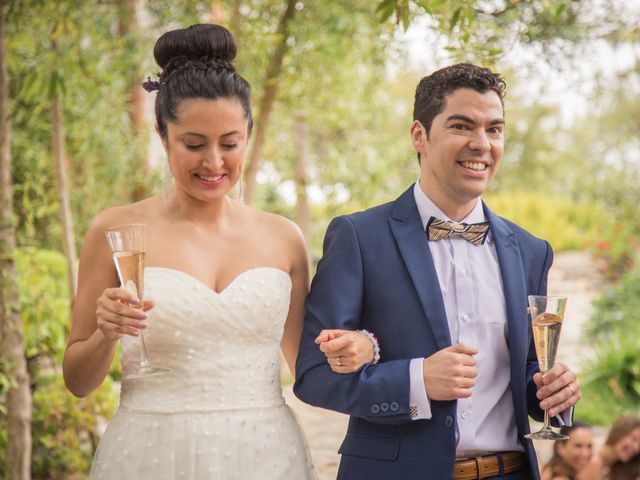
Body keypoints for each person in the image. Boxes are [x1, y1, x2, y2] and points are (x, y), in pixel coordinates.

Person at [62, 24, 374, 480]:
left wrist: (362, 347)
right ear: (161, 134)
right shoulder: (116, 229)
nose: (214, 162)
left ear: (248, 133)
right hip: (149, 452)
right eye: (193, 144)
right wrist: (107, 333)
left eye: (230, 143)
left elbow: (308, 368)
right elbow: (77, 380)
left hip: (266, 453)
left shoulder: (283, 238)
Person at [294, 63, 581, 480]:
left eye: (494, 129)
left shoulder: (532, 251)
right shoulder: (359, 237)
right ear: (419, 135)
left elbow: (530, 373)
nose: (481, 144)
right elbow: (314, 375)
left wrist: (556, 392)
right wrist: (416, 381)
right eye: (462, 126)